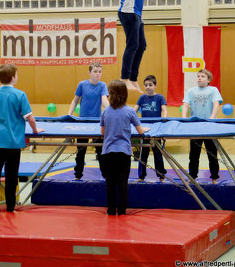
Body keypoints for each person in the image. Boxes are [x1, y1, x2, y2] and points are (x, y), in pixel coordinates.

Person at [0, 64, 43, 213]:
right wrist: (36, 129)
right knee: (11, 175)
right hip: (14, 143)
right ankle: (10, 207)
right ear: (13, 78)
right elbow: (30, 118)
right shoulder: (20, 95)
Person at [100, 80, 149, 215]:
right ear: (125, 94)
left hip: (108, 152)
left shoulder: (105, 112)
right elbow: (140, 131)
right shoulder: (129, 111)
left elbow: (102, 133)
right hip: (123, 151)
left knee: (110, 183)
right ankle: (121, 211)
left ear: (110, 94)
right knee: (122, 182)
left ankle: (110, 210)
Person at [118, 0, 154, 93]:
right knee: (132, 45)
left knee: (141, 45)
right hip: (128, 12)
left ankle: (133, 78)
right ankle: (124, 78)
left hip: (137, 14)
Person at [68, 61, 109, 180]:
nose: (97, 74)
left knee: (101, 151)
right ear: (89, 73)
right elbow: (75, 100)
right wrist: (69, 115)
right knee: (81, 151)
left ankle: (106, 176)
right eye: (95, 72)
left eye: (100, 72)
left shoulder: (102, 85)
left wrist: (112, 110)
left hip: (97, 123)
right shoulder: (82, 84)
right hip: (83, 123)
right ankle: (78, 175)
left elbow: (104, 100)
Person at [181, 69, 223, 184]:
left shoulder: (213, 90)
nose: (199, 78)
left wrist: (212, 119)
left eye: (202, 76)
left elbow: (216, 104)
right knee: (194, 154)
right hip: (195, 127)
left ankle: (214, 177)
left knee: (212, 154)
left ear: (208, 80)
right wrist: (184, 119)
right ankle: (192, 176)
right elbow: (185, 105)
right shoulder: (191, 91)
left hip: (209, 127)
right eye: (198, 76)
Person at [134, 75, 167, 182]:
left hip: (156, 129)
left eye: (150, 85)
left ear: (155, 86)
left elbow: (164, 110)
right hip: (144, 129)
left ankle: (161, 176)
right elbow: (134, 110)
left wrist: (164, 120)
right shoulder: (142, 98)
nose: (148, 87)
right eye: (146, 85)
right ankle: (141, 176)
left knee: (157, 153)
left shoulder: (160, 97)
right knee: (143, 153)